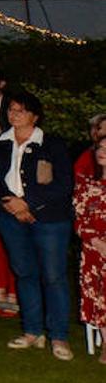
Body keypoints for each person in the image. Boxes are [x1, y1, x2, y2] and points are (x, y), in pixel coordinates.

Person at [0, 90, 75, 360]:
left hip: (50, 219)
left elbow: (64, 184)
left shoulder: (53, 144)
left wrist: (28, 203)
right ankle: (32, 331)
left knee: (53, 276)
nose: (14, 115)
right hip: (9, 217)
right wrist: (11, 204)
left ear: (35, 116)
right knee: (25, 273)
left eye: (21, 110)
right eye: (11, 110)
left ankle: (59, 336)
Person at [72, 137, 106, 365]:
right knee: (100, 296)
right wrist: (98, 242)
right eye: (100, 148)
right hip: (94, 252)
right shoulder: (86, 185)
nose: (102, 152)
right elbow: (80, 220)